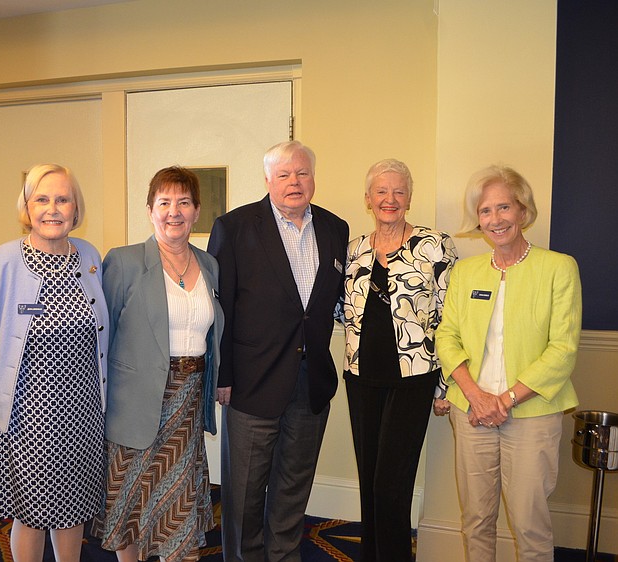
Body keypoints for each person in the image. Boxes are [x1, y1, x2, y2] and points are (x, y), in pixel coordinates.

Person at [207, 140, 349, 562]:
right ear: (268, 179)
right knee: (244, 497)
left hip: (311, 383)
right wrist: (223, 376)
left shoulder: (335, 228)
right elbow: (220, 308)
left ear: (313, 178)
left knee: (292, 491)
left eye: (302, 173)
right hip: (252, 383)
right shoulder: (234, 227)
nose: (294, 182)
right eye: (284, 174)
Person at [434, 165, 581, 562]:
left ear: (523, 210)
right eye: (485, 211)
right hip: (472, 413)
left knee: (530, 525)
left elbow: (562, 350)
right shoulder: (465, 272)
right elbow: (446, 337)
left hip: (532, 414)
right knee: (476, 520)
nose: (495, 219)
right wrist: (476, 396)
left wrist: (504, 400)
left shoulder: (558, 268)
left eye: (504, 207)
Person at [0, 164, 108, 562]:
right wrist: (8, 385)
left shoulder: (89, 256)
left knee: (74, 506)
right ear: (27, 207)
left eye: (63, 199)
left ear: (76, 208)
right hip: (28, 415)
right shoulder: (1, 263)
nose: (53, 208)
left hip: (83, 411)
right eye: (42, 199)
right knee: (30, 513)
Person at [92, 166, 223, 562]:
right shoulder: (124, 262)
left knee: (176, 500)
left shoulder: (210, 265)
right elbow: (103, 336)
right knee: (131, 502)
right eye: (164, 202)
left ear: (196, 211)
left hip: (187, 403)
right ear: (150, 210)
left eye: (183, 202)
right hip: (135, 403)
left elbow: (213, 338)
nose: (173, 212)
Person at [340, 159, 457, 562]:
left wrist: (446, 385)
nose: (389, 199)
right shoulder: (354, 249)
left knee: (392, 486)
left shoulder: (434, 245)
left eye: (398, 191)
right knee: (370, 484)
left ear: (409, 198)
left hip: (413, 379)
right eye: (381, 191)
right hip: (361, 378)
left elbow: (450, 318)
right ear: (368, 198)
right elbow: (342, 310)